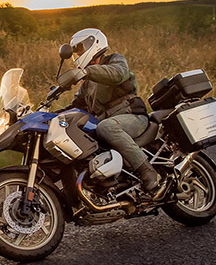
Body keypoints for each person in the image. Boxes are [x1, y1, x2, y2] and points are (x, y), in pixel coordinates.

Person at [57, 28, 161, 194]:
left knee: (106, 127)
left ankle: (147, 170)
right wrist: (51, 115)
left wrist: (87, 72)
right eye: (76, 53)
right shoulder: (87, 84)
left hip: (132, 117)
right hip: (109, 122)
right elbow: (77, 106)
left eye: (81, 50)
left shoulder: (114, 60)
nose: (78, 55)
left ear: (94, 44)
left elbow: (118, 74)